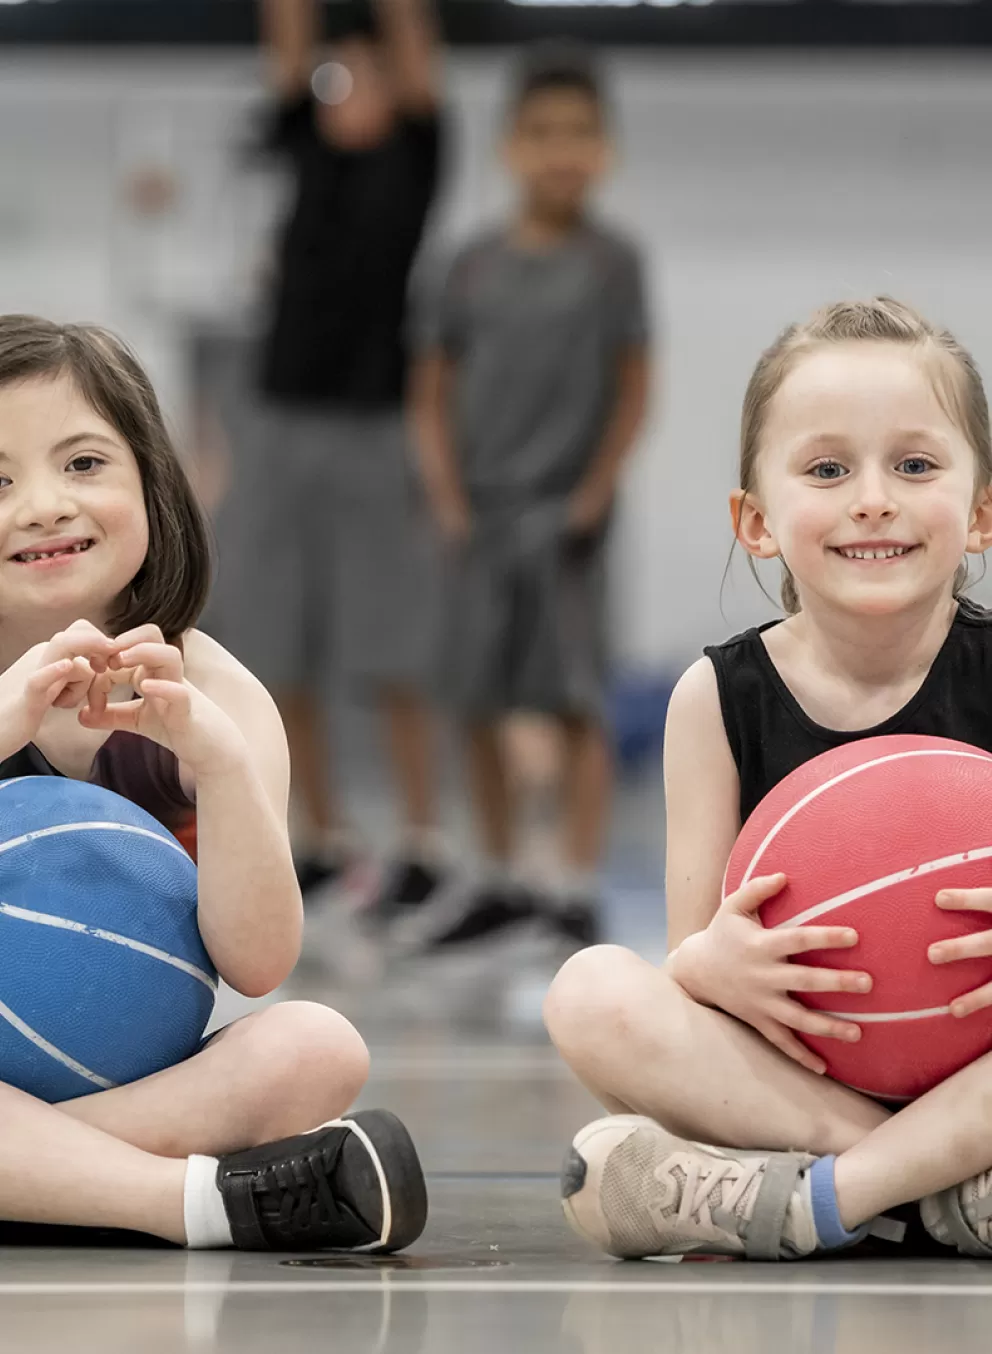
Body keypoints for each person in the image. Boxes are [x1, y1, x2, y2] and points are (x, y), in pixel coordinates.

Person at [543, 295, 992, 1262]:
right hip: (802, 1081)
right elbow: (691, 962)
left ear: (981, 511)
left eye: (914, 466)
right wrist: (715, 964)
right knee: (591, 992)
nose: (873, 497)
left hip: (976, 1071)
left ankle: (806, 1206)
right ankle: (927, 1196)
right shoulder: (715, 697)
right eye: (828, 470)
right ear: (756, 520)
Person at [0, 314, 427, 1253]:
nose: (41, 504)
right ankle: (188, 1202)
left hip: (144, 1079)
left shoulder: (220, 696)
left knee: (316, 1047)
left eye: (82, 464)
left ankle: (48, 1179)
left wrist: (223, 765)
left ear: (154, 484)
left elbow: (258, 961)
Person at [411, 46, 651, 951]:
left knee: (575, 699)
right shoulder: (467, 266)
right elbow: (431, 389)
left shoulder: (614, 263)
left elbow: (635, 384)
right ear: (510, 147)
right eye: (543, 133)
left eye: (581, 134)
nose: (562, 152)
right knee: (477, 696)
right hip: (481, 514)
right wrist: (445, 493)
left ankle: (574, 886)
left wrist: (595, 489)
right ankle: (503, 874)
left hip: (570, 523)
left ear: (606, 149)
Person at [214, 0, 447, 911]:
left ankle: (422, 843)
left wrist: (394, 38)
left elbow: (414, 39)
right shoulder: (304, 142)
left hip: (374, 427)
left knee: (391, 641)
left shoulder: (417, 154)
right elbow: (285, 35)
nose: (351, 92)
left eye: (369, 74)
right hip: (279, 421)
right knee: (281, 641)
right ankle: (318, 833)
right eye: (334, 77)